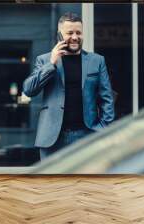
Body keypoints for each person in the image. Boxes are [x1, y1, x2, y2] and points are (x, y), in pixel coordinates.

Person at [23, 12, 115, 160]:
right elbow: (29, 89)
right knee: (52, 182)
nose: (74, 37)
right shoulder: (44, 60)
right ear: (59, 35)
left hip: (86, 136)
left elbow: (107, 99)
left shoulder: (97, 61)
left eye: (78, 32)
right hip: (52, 138)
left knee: (85, 182)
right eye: (69, 33)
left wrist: (103, 129)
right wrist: (51, 63)